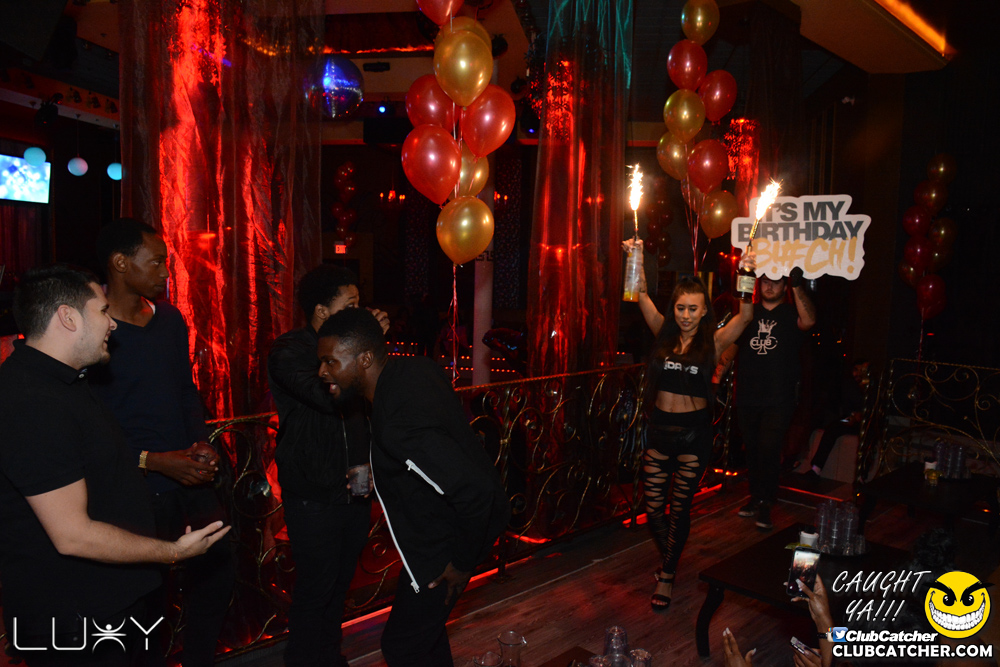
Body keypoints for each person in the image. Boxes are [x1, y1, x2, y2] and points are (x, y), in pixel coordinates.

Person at [0, 265, 229, 667]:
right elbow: (72, 535)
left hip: (110, 605)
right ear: (68, 317)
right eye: (103, 311)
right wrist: (172, 552)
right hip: (75, 622)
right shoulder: (30, 401)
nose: (112, 324)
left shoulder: (68, 382)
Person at [315, 308, 510, 667]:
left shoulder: (396, 425)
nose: (322, 372)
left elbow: (474, 491)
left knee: (403, 646)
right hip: (444, 526)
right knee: (424, 636)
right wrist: (383, 472)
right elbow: (431, 451)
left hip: (450, 541)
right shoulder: (412, 370)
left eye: (330, 361)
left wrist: (461, 564)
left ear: (365, 359)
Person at [89, 219, 234, 667]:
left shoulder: (169, 319)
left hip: (189, 479)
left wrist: (201, 443)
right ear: (120, 263)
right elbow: (89, 426)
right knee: (146, 603)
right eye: (155, 262)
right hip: (133, 488)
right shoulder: (92, 330)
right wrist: (153, 461)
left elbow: (185, 390)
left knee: (218, 577)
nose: (165, 271)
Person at [266, 264, 388, 667]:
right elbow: (328, 395)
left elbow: (381, 394)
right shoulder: (291, 351)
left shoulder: (352, 351)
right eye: (349, 306)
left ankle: (330, 657)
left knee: (340, 586)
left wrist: (369, 348)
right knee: (315, 588)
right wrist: (362, 346)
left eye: (360, 305)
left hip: (355, 487)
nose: (359, 312)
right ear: (321, 311)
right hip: (312, 491)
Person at [628, 239, 754, 612]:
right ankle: (670, 556)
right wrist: (635, 256)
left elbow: (745, 318)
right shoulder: (663, 334)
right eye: (681, 308)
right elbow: (640, 295)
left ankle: (667, 573)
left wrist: (747, 271)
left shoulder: (713, 342)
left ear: (703, 312)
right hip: (659, 431)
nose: (685, 315)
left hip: (693, 435)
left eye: (693, 309)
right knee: (654, 511)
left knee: (679, 509)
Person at [734, 268, 816, 530]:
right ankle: (755, 496)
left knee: (769, 447)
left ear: (784, 285)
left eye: (776, 282)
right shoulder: (750, 312)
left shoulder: (790, 313)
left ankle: (767, 502)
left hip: (779, 397)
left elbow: (809, 321)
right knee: (752, 449)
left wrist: (797, 285)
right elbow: (732, 342)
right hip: (748, 394)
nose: (769, 286)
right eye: (765, 281)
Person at [795, 360, 869, 478]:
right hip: (851, 419)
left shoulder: (872, 387)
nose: (857, 374)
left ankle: (862, 475)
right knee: (833, 427)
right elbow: (848, 407)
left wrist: (862, 415)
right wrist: (853, 415)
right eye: (855, 370)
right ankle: (816, 468)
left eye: (861, 371)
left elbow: (871, 408)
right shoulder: (850, 385)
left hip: (868, 423)